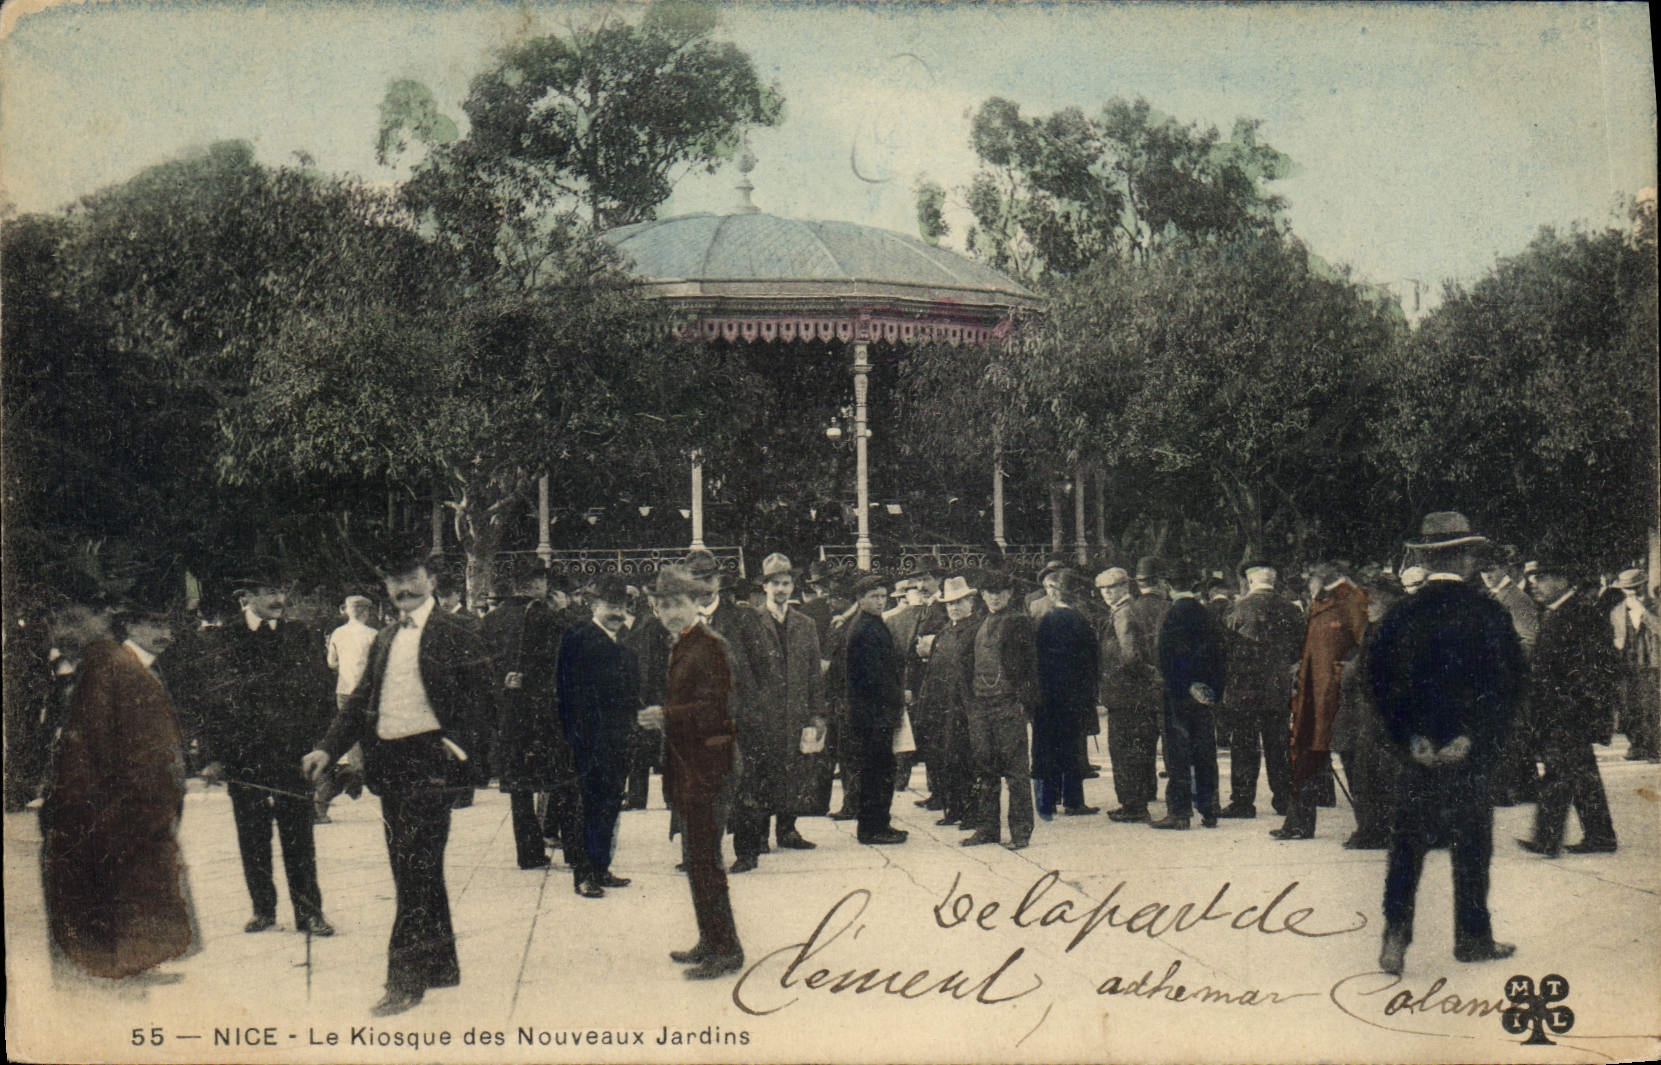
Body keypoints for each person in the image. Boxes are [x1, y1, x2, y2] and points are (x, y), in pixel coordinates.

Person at [302, 545, 495, 1017]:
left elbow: (484, 703)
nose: (402, 587)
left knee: (413, 870)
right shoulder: (386, 636)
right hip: (391, 768)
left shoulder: (459, 631)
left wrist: (455, 752)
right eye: (393, 580)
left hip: (432, 764)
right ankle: (441, 966)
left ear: (431, 579)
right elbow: (359, 701)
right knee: (416, 867)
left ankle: (404, 981)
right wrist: (327, 747)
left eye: (411, 576)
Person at [1370, 512, 1527, 975]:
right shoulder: (1488, 612)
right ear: (1464, 555)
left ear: (1425, 556)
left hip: (1417, 750)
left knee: (1407, 845)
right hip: (1467, 750)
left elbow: (1378, 683)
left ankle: (1395, 935)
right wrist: (1471, 736)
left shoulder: (1401, 613)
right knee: (1472, 844)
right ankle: (1473, 938)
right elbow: (1509, 685)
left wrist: (1410, 736)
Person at [41, 577, 199, 981]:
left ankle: (127, 965)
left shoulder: (114, 668)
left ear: (100, 619)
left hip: (115, 812)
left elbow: (153, 754)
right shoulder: (92, 665)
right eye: (55, 620)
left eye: (69, 619)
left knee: (129, 887)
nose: (59, 630)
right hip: (91, 811)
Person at [195, 571, 335, 937]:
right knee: (252, 836)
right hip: (245, 756)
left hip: (293, 755)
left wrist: (323, 746)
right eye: (269, 591)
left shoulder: (300, 635)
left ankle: (310, 914)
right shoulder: (224, 637)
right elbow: (211, 701)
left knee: (300, 837)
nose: (278, 598)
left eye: (281, 590)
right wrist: (213, 756)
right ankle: (263, 910)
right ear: (249, 596)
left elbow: (321, 691)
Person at [636, 565, 744, 980]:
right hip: (690, 768)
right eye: (662, 605)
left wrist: (665, 716)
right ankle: (710, 939)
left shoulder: (710, 645)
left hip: (710, 767)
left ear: (695, 603)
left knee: (706, 861)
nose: (670, 612)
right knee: (696, 860)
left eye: (677, 603)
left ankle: (727, 949)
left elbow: (717, 710)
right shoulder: (684, 644)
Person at [1516, 559, 1620, 857]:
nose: (1534, 582)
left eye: (1543, 576)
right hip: (1559, 708)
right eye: (1533, 577)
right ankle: (1600, 836)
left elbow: (1599, 665)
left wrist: (1580, 704)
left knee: (1559, 771)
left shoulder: (1581, 613)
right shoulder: (1558, 612)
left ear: (1564, 580)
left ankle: (1548, 839)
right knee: (1580, 772)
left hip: (1570, 710)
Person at [479, 560, 573, 871]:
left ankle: (528, 852)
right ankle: (572, 849)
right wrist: (564, 612)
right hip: (545, 710)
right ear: (535, 584)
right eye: (544, 582)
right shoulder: (546, 616)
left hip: (508, 712)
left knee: (519, 785)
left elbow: (481, 668)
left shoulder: (491, 620)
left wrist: (501, 685)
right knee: (561, 778)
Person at [737, 554, 828, 858]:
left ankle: (787, 830)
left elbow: (814, 672)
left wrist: (817, 714)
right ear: (764, 586)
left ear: (793, 586)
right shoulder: (751, 622)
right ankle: (760, 833)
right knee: (762, 772)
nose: (781, 589)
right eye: (774, 583)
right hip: (764, 713)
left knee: (795, 769)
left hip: (796, 711)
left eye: (786, 583)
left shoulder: (806, 624)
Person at [556, 575, 642, 898]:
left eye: (621, 607)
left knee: (609, 805)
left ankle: (601, 867)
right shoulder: (577, 637)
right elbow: (565, 694)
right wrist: (573, 738)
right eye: (610, 606)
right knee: (585, 809)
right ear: (594, 605)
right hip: (586, 742)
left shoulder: (624, 642)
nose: (616, 613)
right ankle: (583, 875)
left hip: (617, 742)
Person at [1274, 562, 1369, 840]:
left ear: (1324, 575)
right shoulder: (1321, 602)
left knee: (1353, 762)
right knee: (1305, 758)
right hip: (1313, 695)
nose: (1306, 582)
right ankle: (1298, 824)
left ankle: (1370, 827)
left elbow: (1367, 646)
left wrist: (1345, 673)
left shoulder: (1352, 599)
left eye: (1309, 576)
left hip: (1341, 698)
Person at [1219, 563, 1302, 819]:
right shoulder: (1291, 609)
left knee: (1244, 746)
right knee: (1278, 745)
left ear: (1249, 581)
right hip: (1277, 688)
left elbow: (1225, 648)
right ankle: (1284, 799)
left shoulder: (1237, 608)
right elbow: (1301, 648)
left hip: (1244, 688)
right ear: (1274, 581)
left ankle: (1243, 802)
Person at [962, 568, 1038, 849]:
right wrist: (971, 703)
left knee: (1016, 771)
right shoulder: (979, 623)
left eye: (1000, 592)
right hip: (981, 706)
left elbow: (1031, 668)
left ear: (1009, 594)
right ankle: (987, 829)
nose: (995, 597)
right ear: (982, 595)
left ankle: (1020, 832)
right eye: (989, 593)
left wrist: (1024, 704)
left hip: (1008, 705)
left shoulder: (1019, 623)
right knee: (985, 769)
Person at [1151, 561, 1227, 830]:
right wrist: (1212, 690)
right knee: (1205, 751)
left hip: (1178, 694)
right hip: (1204, 694)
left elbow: (1166, 658)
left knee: (1178, 754)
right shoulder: (1207, 613)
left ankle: (1180, 812)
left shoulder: (1171, 615)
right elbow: (1220, 655)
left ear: (1168, 586)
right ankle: (1210, 808)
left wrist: (1179, 686)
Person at [1331, 578, 1402, 850]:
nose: (1366, 607)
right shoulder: (1379, 626)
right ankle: (1376, 828)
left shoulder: (1389, 627)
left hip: (1379, 711)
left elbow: (1368, 666)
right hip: (1369, 710)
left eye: (1372, 602)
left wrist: (1338, 673)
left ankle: (1374, 830)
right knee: (1371, 772)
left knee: (1374, 773)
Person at [843, 573, 909, 844]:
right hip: (873, 713)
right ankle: (873, 828)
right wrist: (898, 697)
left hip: (873, 712)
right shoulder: (865, 628)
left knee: (878, 769)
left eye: (883, 596)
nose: (881, 601)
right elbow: (874, 677)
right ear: (860, 599)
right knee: (877, 770)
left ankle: (878, 823)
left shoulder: (870, 624)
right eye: (874, 597)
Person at [1094, 567, 1161, 823]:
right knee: (1136, 748)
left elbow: (1131, 655)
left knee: (1124, 750)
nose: (1107, 594)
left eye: (1113, 588)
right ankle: (1137, 801)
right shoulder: (1126, 610)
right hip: (1133, 693)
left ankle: (1133, 805)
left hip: (1126, 693)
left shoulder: (1124, 614)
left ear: (1125, 588)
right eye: (1103, 590)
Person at [917, 575, 982, 828]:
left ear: (971, 602)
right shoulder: (945, 631)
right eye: (949, 603)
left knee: (966, 760)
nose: (954, 607)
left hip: (965, 706)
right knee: (946, 759)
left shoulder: (977, 630)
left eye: (959, 602)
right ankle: (953, 809)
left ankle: (971, 813)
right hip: (941, 707)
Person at [1033, 569, 1099, 818]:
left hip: (1047, 695)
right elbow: (1091, 662)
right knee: (1072, 747)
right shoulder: (1080, 621)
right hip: (1073, 696)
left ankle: (1046, 801)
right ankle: (1073, 801)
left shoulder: (1045, 620)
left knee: (1047, 747)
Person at [316, 595, 377, 822]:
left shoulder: (338, 633)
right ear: (366, 612)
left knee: (348, 730)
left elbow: (331, 662)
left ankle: (354, 772)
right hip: (366, 690)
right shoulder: (372, 635)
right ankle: (358, 775)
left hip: (343, 688)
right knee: (369, 730)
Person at [1610, 568, 1660, 761]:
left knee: (1652, 706)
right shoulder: (1617, 610)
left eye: (1635, 589)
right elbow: (1617, 634)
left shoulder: (1656, 606)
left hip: (1651, 663)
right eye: (1627, 590)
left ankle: (1655, 747)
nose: (1632, 593)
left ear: (1644, 586)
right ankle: (1637, 744)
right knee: (1630, 706)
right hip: (1628, 663)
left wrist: (1644, 612)